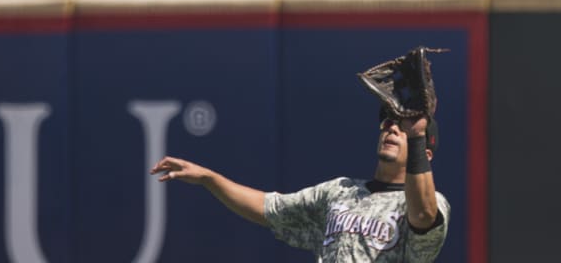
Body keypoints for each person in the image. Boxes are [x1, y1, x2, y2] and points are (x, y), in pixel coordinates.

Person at [150, 98, 448, 261]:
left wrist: (418, 134)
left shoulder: (431, 204)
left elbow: (422, 215)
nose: (393, 129)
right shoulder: (340, 190)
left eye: (403, 128)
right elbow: (271, 208)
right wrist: (209, 178)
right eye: (388, 122)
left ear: (425, 152)